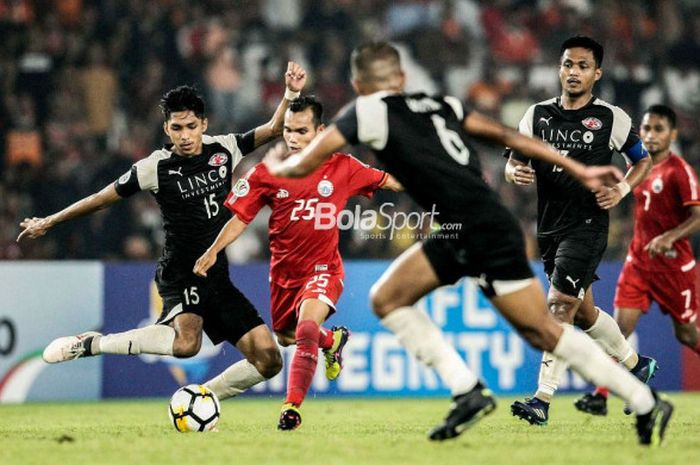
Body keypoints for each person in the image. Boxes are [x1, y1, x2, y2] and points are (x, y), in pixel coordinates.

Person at [264, 41, 672, 446]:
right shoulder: (442, 104)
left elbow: (307, 161)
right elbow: (502, 134)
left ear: (357, 83)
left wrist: (274, 168)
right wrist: (577, 169)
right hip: (481, 224)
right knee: (401, 300)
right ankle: (479, 392)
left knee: (535, 328)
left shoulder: (367, 109)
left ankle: (629, 398)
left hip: (476, 228)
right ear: (402, 79)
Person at [17, 62, 308, 405]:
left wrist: (291, 91)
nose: (184, 135)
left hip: (217, 274)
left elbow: (275, 128)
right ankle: (93, 343)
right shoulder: (154, 167)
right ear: (166, 128)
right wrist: (50, 220)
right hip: (181, 269)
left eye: (190, 126)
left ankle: (201, 397)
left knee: (268, 359)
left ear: (204, 124)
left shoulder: (224, 148)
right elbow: (99, 200)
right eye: (176, 127)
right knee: (187, 344)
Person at [193, 95, 402, 430]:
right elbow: (240, 219)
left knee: (305, 328)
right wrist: (214, 250)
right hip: (284, 275)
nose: (292, 137)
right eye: (288, 130)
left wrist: (432, 180)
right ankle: (332, 341)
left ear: (320, 131)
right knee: (289, 337)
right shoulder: (267, 173)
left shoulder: (343, 167)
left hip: (324, 270)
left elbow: (389, 180)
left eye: (301, 131)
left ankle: (291, 408)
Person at [504, 36, 656, 425]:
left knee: (558, 305)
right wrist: (513, 170)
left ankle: (542, 399)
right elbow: (514, 159)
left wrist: (622, 188)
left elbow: (643, 160)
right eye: (568, 64)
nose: (574, 72)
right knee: (584, 313)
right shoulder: (535, 115)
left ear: (596, 73)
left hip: (587, 225)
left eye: (582, 66)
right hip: (549, 226)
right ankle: (637, 366)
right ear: (559, 68)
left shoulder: (610, 117)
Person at [575, 104, 700, 416]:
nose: (650, 135)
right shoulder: (637, 169)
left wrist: (671, 236)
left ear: (673, 134)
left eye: (658, 129)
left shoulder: (680, 171)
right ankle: (601, 395)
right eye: (645, 128)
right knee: (619, 330)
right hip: (639, 262)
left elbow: (698, 215)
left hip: (674, 267)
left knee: (686, 334)